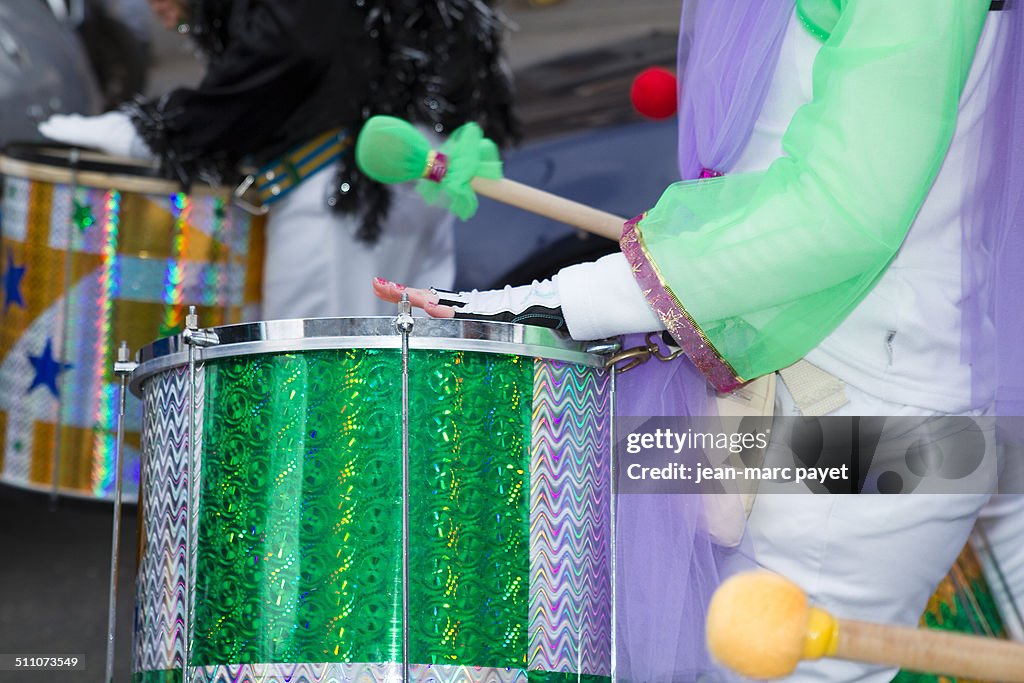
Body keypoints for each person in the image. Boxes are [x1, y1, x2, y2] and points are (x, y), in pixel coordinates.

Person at [375, 0, 1024, 680]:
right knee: (591, 515)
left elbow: (842, 213)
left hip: (873, 435)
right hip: (805, 409)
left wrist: (564, 298)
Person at [39, 0, 517, 320]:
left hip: (351, 185)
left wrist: (166, 128)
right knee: (395, 363)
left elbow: (293, 40)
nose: (157, 10)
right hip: (405, 159)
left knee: (319, 382)